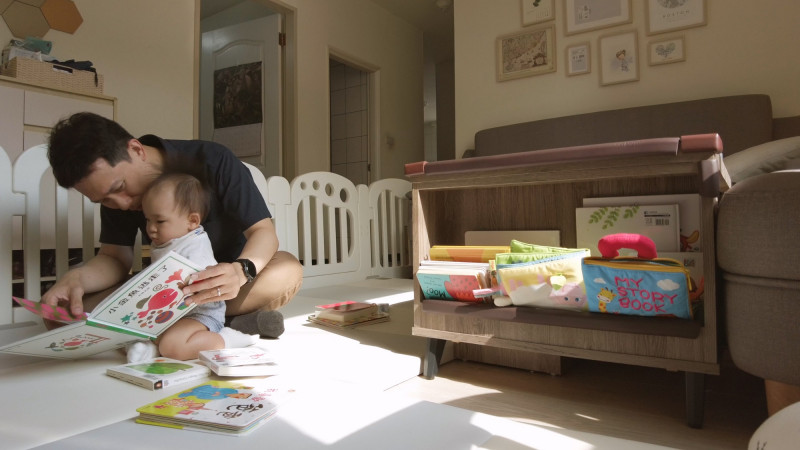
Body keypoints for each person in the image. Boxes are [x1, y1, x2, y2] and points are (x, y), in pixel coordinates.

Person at [42, 112, 303, 338]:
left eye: (120, 188)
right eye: (104, 200)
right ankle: (222, 325)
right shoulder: (116, 198)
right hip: (167, 290)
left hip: (228, 285)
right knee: (60, 315)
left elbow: (263, 232)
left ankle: (176, 325)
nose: (121, 205)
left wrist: (240, 270)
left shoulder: (213, 159)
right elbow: (115, 259)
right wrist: (76, 277)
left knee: (288, 270)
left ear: (136, 149)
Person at [126, 172, 259, 362]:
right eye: (148, 220)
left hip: (200, 313)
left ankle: (226, 339)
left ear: (192, 221)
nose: (151, 228)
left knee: (174, 347)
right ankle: (151, 348)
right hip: (169, 312)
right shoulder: (166, 239)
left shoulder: (196, 245)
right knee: (128, 332)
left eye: (160, 221)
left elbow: (199, 282)